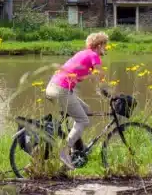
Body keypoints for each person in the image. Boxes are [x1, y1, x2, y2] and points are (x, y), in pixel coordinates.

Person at [45, 31, 108, 169]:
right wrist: (109, 94)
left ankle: (76, 149)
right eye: (105, 45)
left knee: (85, 110)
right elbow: (99, 76)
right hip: (61, 90)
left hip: (53, 87)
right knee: (83, 120)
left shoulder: (83, 53)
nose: (106, 48)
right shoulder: (94, 56)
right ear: (99, 45)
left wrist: (99, 89)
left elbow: (93, 78)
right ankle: (64, 151)